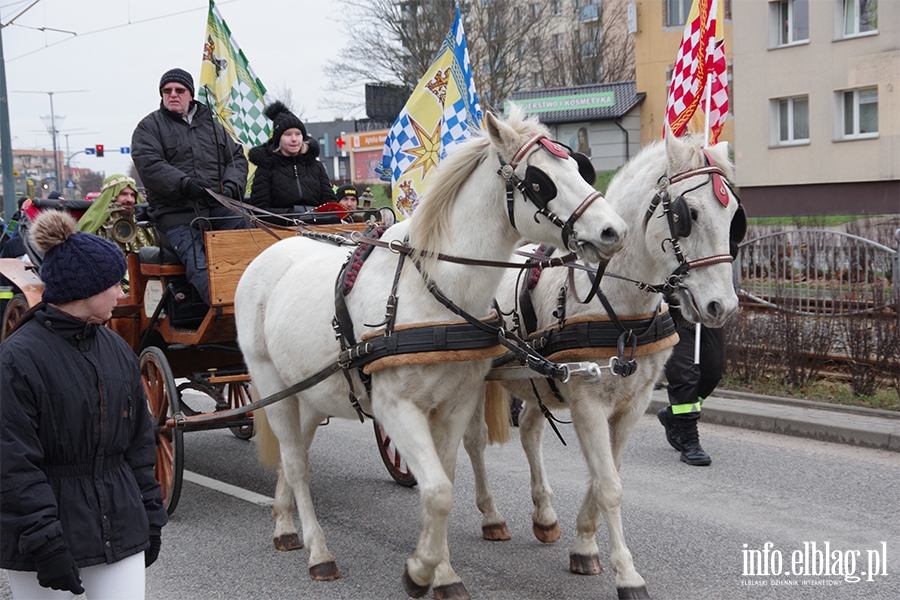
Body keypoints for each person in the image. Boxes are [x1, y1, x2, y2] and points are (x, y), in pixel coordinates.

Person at [0, 210, 166, 599]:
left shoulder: (115, 348)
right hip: (46, 534)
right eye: (115, 284)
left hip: (120, 521)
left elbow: (140, 442)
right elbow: (12, 463)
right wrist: (45, 541)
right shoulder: (17, 359)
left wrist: (151, 516)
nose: (123, 293)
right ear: (86, 289)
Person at [131, 67, 249, 305]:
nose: (173, 94)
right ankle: (227, 313)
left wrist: (230, 187)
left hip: (215, 207)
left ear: (191, 94)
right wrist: (185, 184)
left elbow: (236, 157)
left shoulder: (213, 127)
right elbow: (150, 165)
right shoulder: (149, 127)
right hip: (175, 215)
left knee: (249, 239)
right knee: (201, 265)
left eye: (179, 90)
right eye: (167, 90)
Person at [656, 297, 725, 467]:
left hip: (706, 311)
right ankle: (690, 442)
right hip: (672, 311)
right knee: (684, 376)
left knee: (712, 374)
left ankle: (672, 415)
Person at [248, 100, 336, 222]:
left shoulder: (316, 166)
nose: (294, 139)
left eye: (298, 134)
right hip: (281, 230)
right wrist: (292, 216)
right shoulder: (266, 168)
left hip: (317, 227)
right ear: (278, 139)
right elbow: (260, 210)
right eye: (288, 134)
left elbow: (330, 203)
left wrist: (317, 216)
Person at [76, 174, 155, 253]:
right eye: (124, 194)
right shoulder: (93, 228)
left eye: (132, 195)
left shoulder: (143, 225)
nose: (130, 200)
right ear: (110, 196)